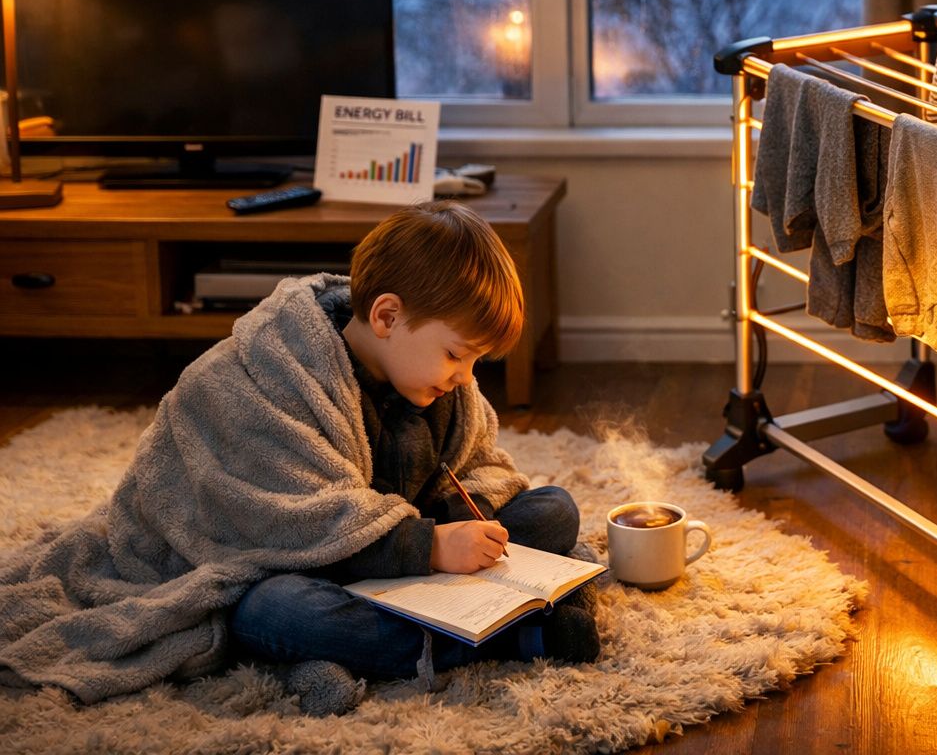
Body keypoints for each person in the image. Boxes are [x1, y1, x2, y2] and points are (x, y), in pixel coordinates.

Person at [0, 201, 598, 716]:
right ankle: (515, 636)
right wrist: (432, 547)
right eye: (456, 355)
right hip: (282, 562)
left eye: (476, 363)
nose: (467, 378)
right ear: (388, 316)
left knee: (553, 512)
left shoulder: (431, 384)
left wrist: (450, 522)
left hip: (389, 550)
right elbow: (278, 519)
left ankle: (387, 639)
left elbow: (475, 469)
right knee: (273, 613)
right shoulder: (259, 379)